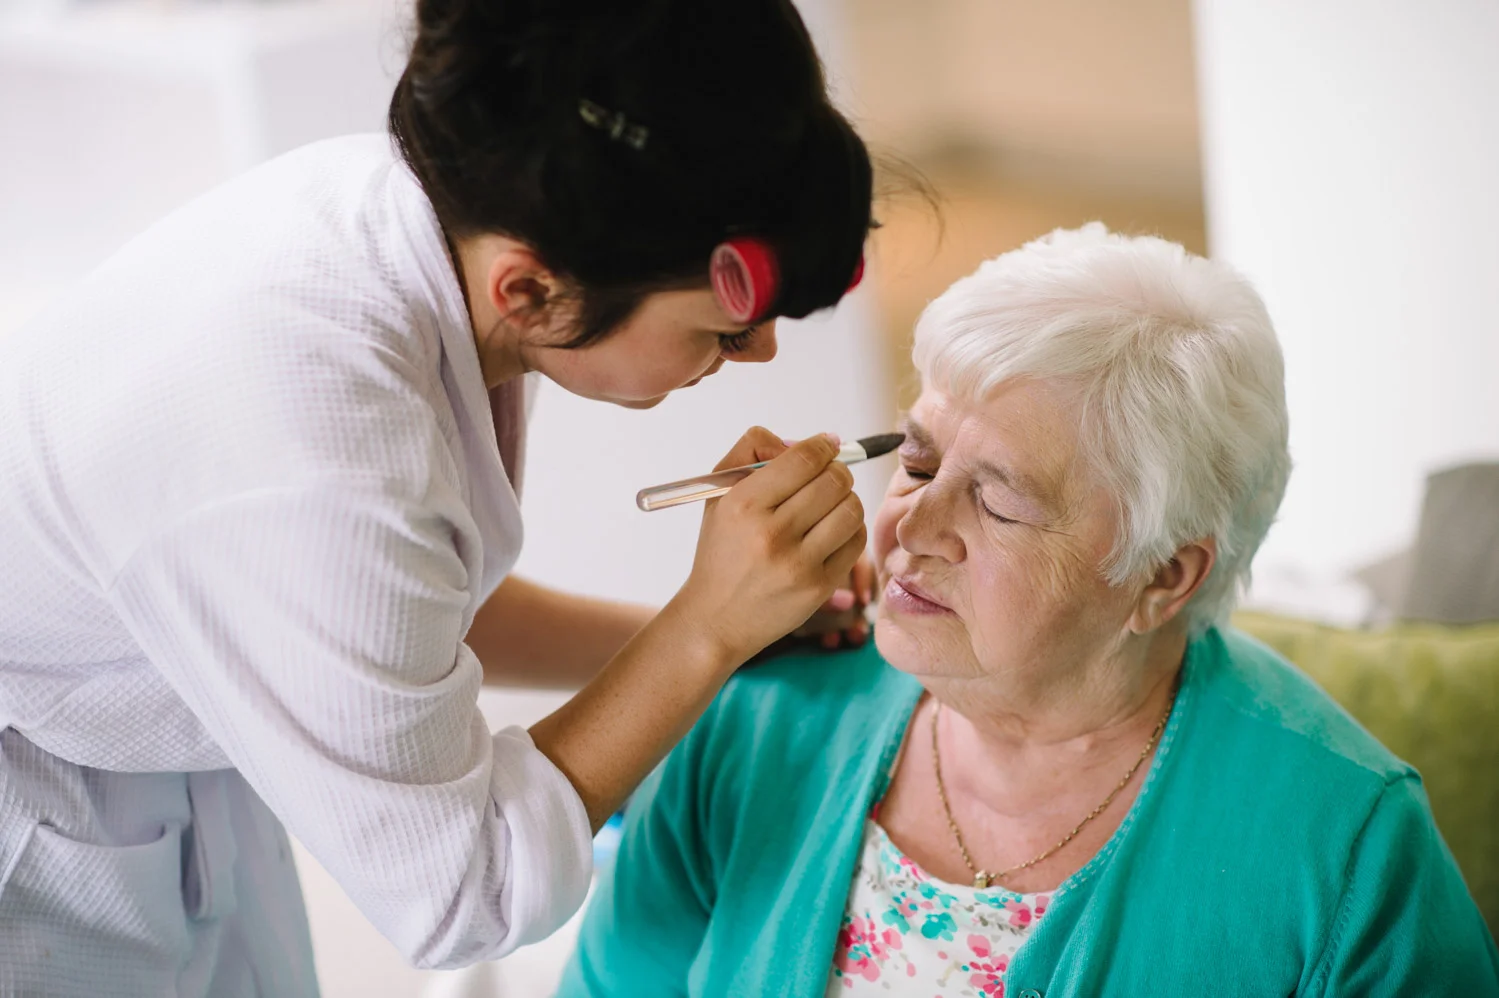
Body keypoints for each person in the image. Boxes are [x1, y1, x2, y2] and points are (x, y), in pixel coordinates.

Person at [0, 2, 877, 994]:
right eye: (720, 330)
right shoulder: (310, 432)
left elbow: (411, 609)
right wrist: (700, 633)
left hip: (157, 785)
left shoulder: (437, 232)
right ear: (530, 292)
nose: (757, 351)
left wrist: (730, 625)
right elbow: (463, 891)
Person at [558, 225, 1499, 997]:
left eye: (999, 500)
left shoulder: (1346, 850)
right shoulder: (759, 717)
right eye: (918, 462)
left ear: (1162, 576)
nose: (910, 524)